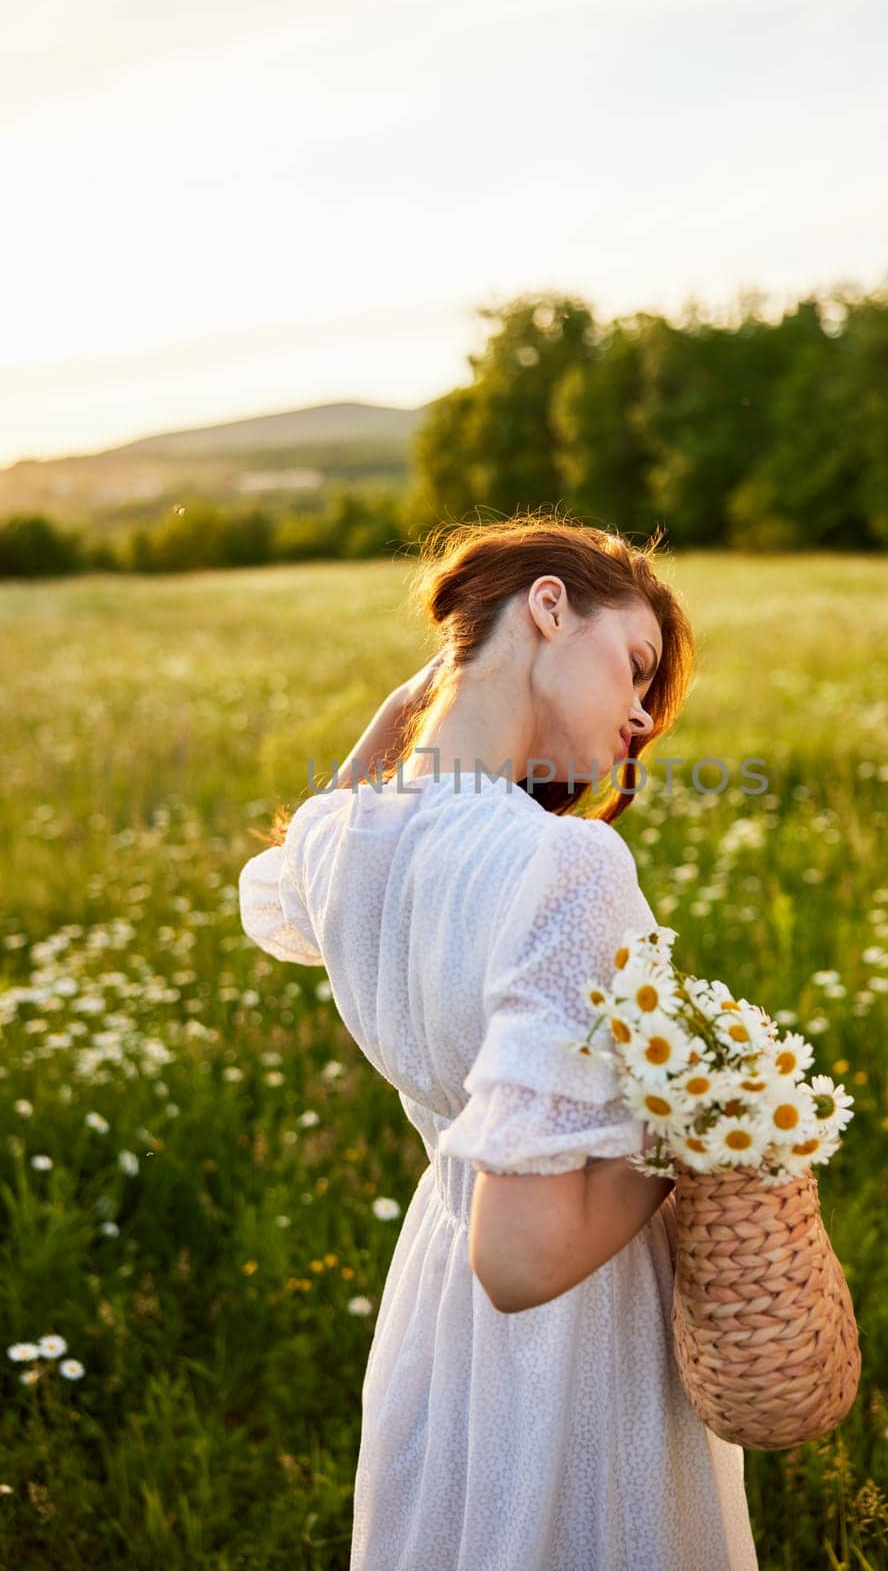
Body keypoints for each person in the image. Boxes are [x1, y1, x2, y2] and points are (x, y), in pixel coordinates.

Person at [238, 514, 759, 1571]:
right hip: (581, 1328)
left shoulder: (343, 839)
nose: (642, 714)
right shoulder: (563, 863)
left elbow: (275, 902)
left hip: (436, 1306)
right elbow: (523, 1259)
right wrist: (700, 1124)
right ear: (549, 604)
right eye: (637, 666)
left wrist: (395, 725)